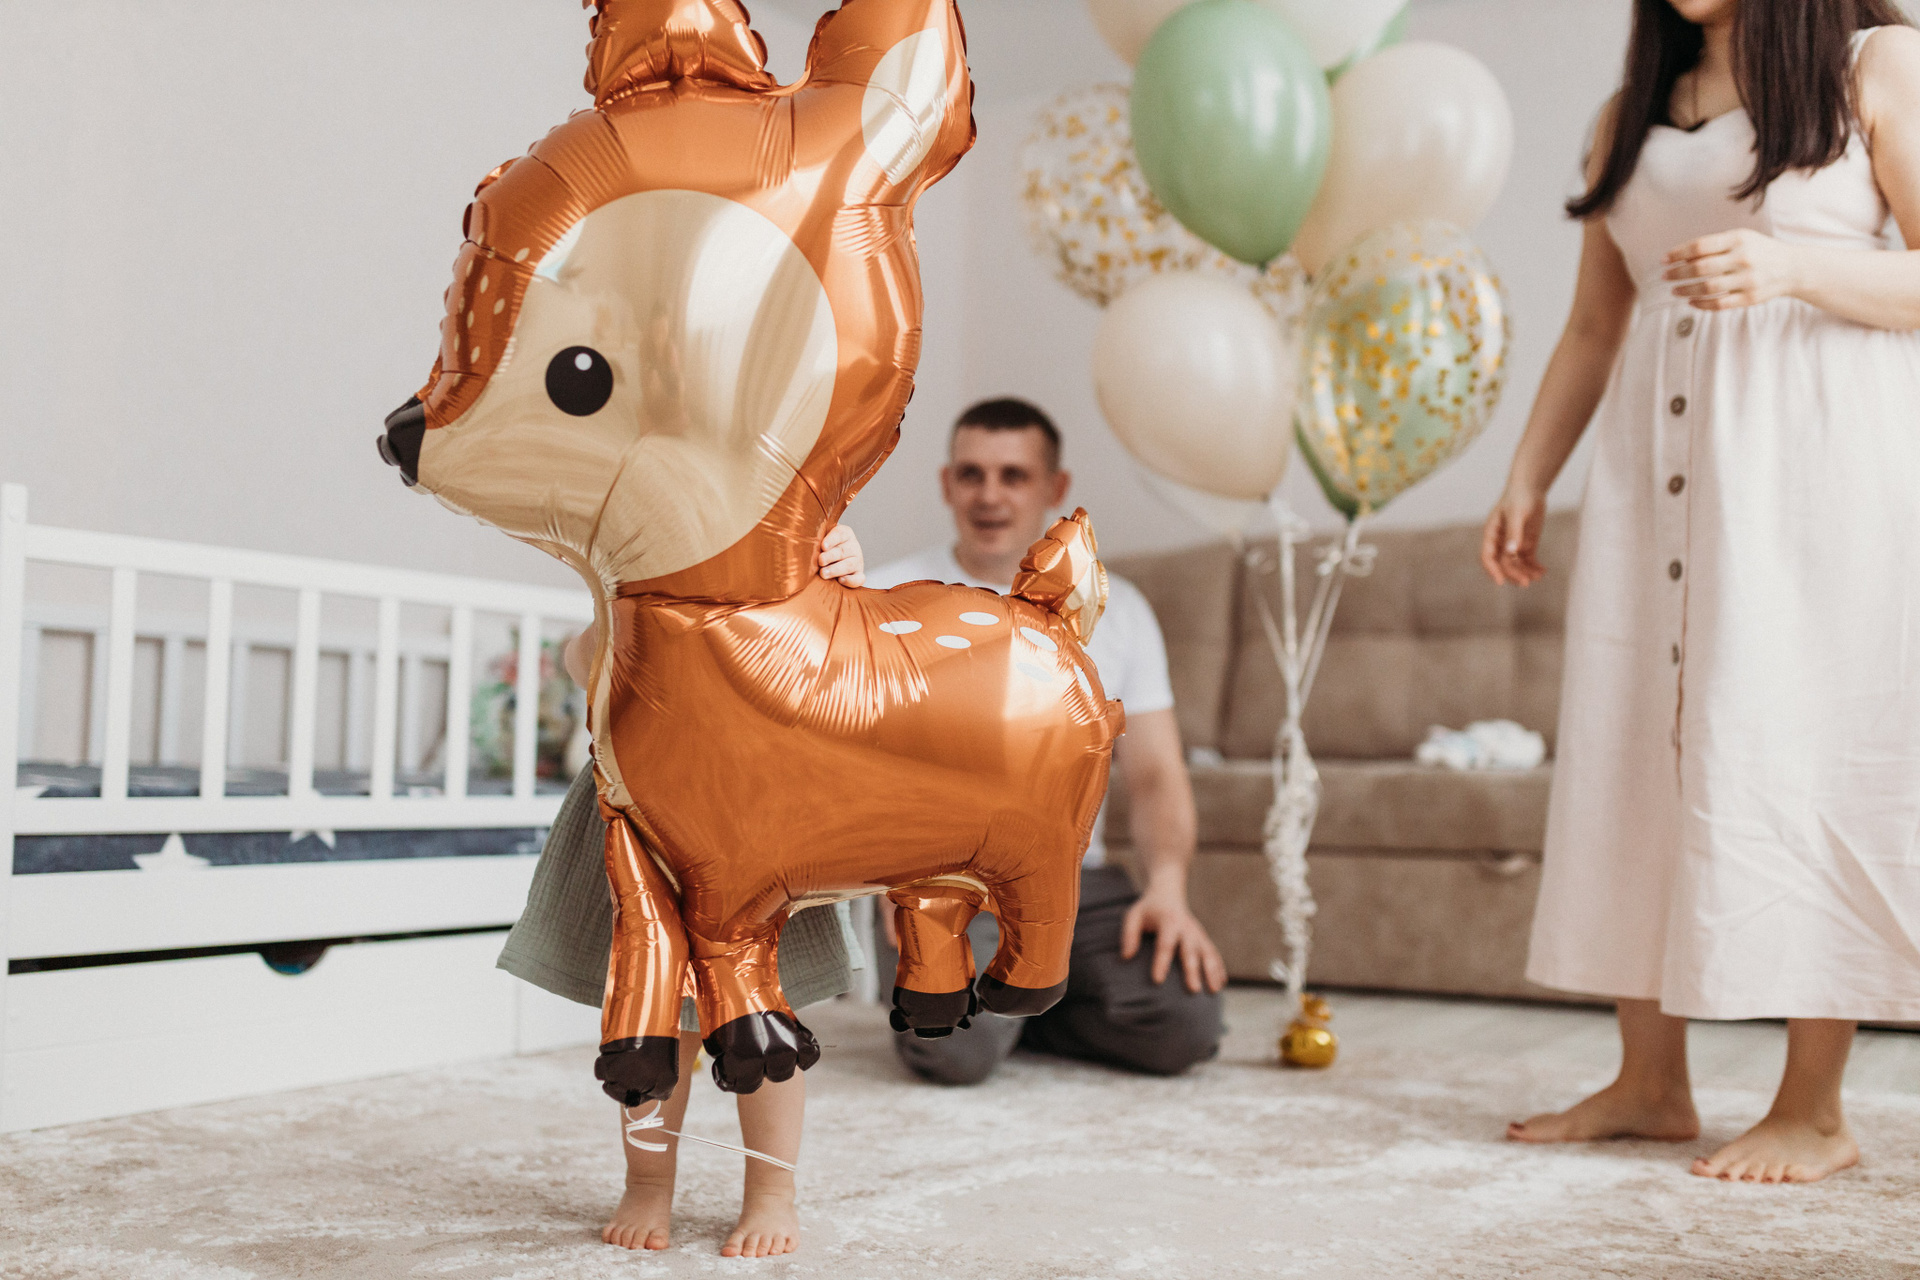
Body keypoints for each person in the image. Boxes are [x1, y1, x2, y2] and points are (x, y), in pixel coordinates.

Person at [1482, 0, 1920, 1183]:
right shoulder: (1623, 116)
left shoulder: (1876, 66)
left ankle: (1814, 1107)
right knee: (1640, 746)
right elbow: (1595, 323)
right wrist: (1529, 473)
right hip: (1655, 474)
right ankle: (1650, 1080)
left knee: (1804, 752)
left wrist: (1795, 267)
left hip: (1814, 476)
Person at [496, 525, 868, 1258]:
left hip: (755, 826)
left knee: (765, 1022)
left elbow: (844, 655)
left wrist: (840, 572)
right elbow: (582, 662)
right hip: (647, 823)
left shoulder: (791, 547)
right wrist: (613, 613)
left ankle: (771, 1192)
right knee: (652, 1025)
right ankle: (646, 1184)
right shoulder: (642, 559)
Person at [867, 397, 1227, 1085]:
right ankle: (1000, 1015)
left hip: (1075, 883)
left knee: (1183, 1028)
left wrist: (1169, 889)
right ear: (947, 484)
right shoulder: (884, 597)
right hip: (944, 883)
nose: (990, 495)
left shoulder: (1120, 610)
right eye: (971, 474)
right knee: (954, 1052)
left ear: (1054, 488)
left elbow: (1155, 774)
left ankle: (1021, 1013)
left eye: (1014, 475)